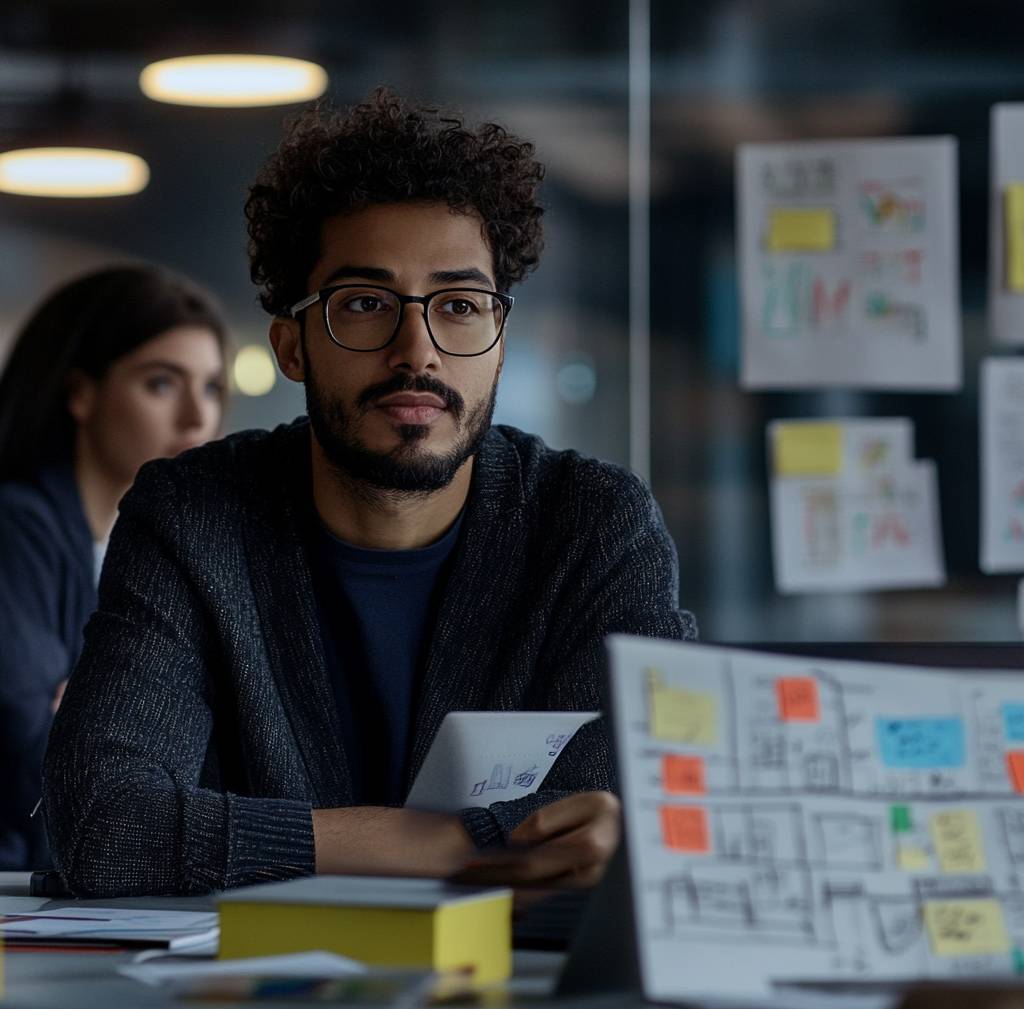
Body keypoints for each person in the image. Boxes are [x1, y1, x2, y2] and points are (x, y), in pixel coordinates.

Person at [43, 89, 696, 898]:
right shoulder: (193, 516)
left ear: (498, 348)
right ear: (291, 345)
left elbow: (641, 810)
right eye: (364, 305)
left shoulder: (592, 524)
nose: (416, 351)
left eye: (459, 307)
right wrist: (458, 841)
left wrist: (291, 838)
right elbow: (106, 826)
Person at [0, 264, 227, 869]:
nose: (195, 418)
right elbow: (34, 764)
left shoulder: (174, 556)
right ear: (81, 393)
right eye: (161, 383)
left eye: (210, 388)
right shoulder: (19, 528)